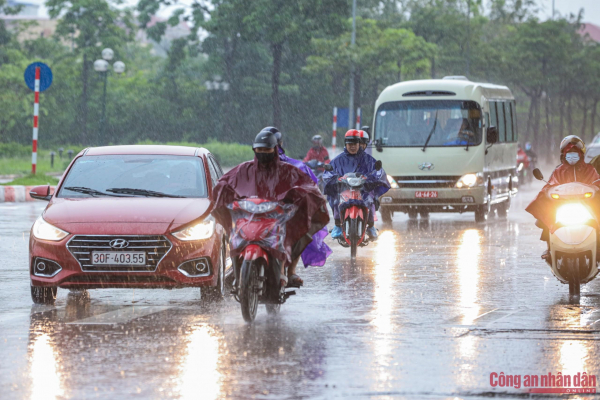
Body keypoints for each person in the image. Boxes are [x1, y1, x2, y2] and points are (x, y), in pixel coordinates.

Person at [211, 129, 330, 288]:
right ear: (254, 149)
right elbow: (226, 182)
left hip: (278, 219)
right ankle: (236, 269)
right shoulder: (245, 169)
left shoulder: (288, 170)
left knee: (291, 234)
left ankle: (285, 271)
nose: (263, 153)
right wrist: (222, 193)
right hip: (250, 218)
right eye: (259, 150)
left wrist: (299, 198)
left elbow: (308, 186)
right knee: (232, 235)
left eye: (267, 150)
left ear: (275, 148)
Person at [263, 126, 333, 285]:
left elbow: (311, 185)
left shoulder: (295, 166)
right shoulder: (252, 167)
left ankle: (290, 271)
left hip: (285, 212)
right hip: (261, 211)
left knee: (299, 231)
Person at [526, 135, 600, 261]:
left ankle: (597, 247)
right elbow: (550, 185)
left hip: (586, 207)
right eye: (569, 153)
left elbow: (596, 182)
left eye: (574, 153)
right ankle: (550, 248)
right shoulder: (559, 171)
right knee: (547, 220)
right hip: (562, 207)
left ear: (580, 154)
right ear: (564, 154)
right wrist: (547, 192)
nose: (572, 156)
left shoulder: (589, 170)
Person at [323, 129, 390, 241]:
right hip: (344, 190)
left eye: (354, 144)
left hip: (363, 190)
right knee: (335, 198)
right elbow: (329, 172)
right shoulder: (338, 160)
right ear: (345, 144)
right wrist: (335, 178)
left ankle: (371, 225)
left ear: (359, 144)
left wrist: (372, 178)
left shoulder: (368, 159)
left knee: (371, 198)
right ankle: (338, 225)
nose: (352, 146)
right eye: (350, 144)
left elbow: (378, 171)